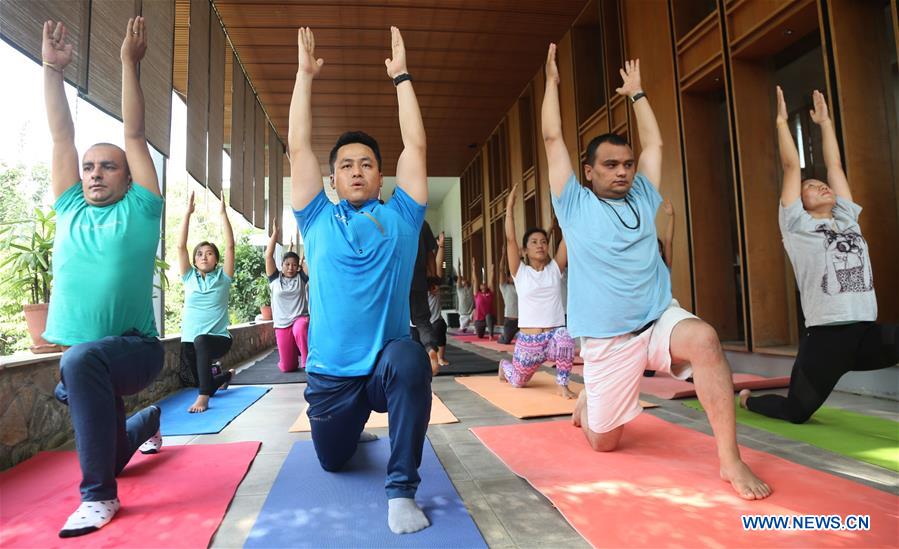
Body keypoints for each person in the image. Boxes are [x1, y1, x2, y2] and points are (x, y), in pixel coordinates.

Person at [542, 46, 770, 500]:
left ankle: (730, 459)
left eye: (627, 164)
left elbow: (658, 145)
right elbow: (552, 140)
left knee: (705, 339)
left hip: (657, 318)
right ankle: (591, 402)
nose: (623, 172)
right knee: (604, 444)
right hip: (608, 340)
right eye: (610, 165)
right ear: (588, 172)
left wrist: (639, 94)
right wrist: (551, 84)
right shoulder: (573, 203)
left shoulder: (644, 195)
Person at [289, 27, 432, 534]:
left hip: (384, 368)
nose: (356, 171)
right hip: (330, 377)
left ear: (380, 176)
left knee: (410, 357)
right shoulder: (315, 219)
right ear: (332, 179)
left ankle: (401, 490)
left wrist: (401, 78)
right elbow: (298, 144)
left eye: (366, 164)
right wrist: (304, 77)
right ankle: (350, 433)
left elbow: (415, 144)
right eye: (346, 165)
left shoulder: (403, 217)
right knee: (334, 461)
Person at [42, 17, 168, 536]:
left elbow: (134, 133)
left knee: (80, 362)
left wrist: (127, 64)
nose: (94, 172)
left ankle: (98, 499)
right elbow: (60, 133)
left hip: (135, 348)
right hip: (92, 361)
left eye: (107, 166)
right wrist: (52, 70)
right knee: (111, 450)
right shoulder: (68, 206)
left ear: (128, 177)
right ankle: (149, 422)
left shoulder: (141, 210)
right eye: (89, 166)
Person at [739, 88, 898, 422]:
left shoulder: (847, 219)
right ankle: (748, 401)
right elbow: (789, 167)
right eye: (809, 187)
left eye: (821, 184)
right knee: (796, 412)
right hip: (826, 340)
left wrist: (826, 124)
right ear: (800, 200)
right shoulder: (796, 225)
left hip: (865, 334)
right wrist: (782, 123)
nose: (821, 186)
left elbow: (836, 165)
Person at [498, 182, 575, 398]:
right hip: (529, 342)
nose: (540, 245)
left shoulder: (554, 269)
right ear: (525, 250)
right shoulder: (520, 272)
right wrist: (510, 209)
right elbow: (511, 239)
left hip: (552, 337)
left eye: (543, 241)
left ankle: (562, 384)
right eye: (534, 242)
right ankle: (505, 367)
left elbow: (566, 240)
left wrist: (566, 207)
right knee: (518, 382)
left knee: (565, 338)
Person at [178, 191, 236, 413]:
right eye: (200, 254)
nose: (204, 256)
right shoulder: (189, 277)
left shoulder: (223, 278)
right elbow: (180, 247)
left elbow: (231, 247)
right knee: (199, 381)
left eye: (209, 253)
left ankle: (203, 398)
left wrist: (223, 213)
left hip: (218, 339)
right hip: (189, 342)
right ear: (194, 260)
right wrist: (187, 214)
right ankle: (225, 376)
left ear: (216, 259)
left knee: (202, 341)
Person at [265, 221, 310, 372]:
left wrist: (308, 231)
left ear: (298, 266)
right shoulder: (274, 279)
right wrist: (275, 235)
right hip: (282, 326)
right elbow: (268, 256)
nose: (291, 268)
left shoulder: (301, 277)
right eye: (287, 264)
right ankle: (290, 357)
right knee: (287, 368)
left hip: (300, 320)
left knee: (301, 326)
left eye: (294, 265)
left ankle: (307, 361)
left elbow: (311, 256)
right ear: (282, 265)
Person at [645, 199, 675, 378]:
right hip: (645, 312)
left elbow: (669, 240)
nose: (657, 252)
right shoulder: (641, 269)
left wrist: (672, 217)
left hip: (664, 309)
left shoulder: (665, 267)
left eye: (659, 250)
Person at [410, 221, 440, 373]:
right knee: (422, 320)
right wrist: (433, 279)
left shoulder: (391, 216)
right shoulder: (422, 223)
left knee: (396, 322)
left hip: (396, 281)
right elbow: (430, 255)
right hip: (418, 280)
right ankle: (430, 349)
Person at [497, 249, 519, 345]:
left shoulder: (521, 286)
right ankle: (501, 336)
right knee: (506, 341)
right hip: (510, 320)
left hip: (521, 320)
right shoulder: (505, 287)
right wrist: (503, 255)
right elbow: (501, 270)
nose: (514, 278)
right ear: (508, 278)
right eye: (512, 276)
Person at [471, 256, 495, 339]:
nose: (483, 285)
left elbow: (491, 280)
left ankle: (491, 334)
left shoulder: (490, 293)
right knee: (480, 336)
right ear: (480, 287)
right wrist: (473, 267)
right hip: (479, 320)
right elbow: (475, 280)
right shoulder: (477, 294)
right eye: (481, 285)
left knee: (488, 316)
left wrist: (492, 270)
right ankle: (481, 331)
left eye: (484, 284)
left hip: (488, 318)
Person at [455, 258, 475, 332]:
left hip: (471, 313)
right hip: (463, 314)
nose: (463, 281)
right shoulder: (459, 289)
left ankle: (475, 327)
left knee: (475, 312)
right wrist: (459, 267)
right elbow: (459, 278)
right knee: (462, 330)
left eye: (465, 281)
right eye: (462, 281)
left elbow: (473, 279)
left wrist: (473, 266)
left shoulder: (471, 289)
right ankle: (464, 327)